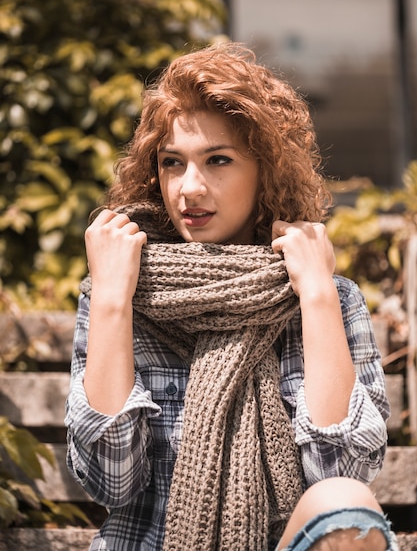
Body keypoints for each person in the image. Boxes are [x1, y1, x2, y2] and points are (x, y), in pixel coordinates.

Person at [65, 42, 398, 551]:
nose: (189, 188)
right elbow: (111, 481)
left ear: (266, 170)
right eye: (172, 162)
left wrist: (316, 295)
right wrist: (112, 299)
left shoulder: (329, 298)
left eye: (217, 160)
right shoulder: (123, 292)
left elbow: (344, 470)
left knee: (342, 503)